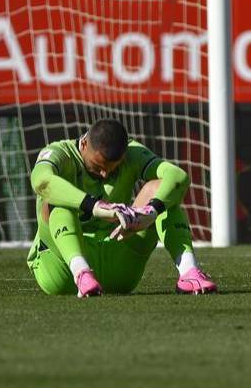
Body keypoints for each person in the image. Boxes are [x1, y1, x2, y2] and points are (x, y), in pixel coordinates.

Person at [26, 118, 217, 297]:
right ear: (84, 144)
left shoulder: (132, 153)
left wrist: (150, 213)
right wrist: (94, 206)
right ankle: (82, 272)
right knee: (54, 201)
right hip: (62, 271)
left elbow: (178, 176)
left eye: (112, 167)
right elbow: (41, 181)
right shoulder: (60, 153)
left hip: (120, 265)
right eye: (98, 165)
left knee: (164, 196)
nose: (104, 173)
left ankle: (189, 272)